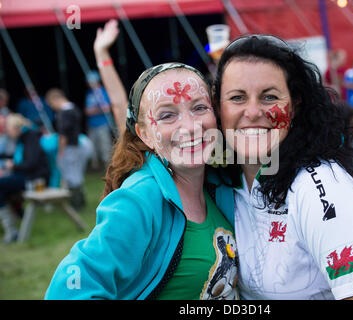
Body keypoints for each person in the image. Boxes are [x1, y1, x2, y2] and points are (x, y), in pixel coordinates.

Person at [212, 34, 353, 300]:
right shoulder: (223, 179)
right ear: (218, 107)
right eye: (237, 98)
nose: (253, 112)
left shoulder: (319, 186)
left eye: (269, 97)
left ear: (296, 106)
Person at [45, 62, 239, 300]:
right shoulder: (137, 200)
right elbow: (67, 291)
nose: (190, 126)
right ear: (144, 134)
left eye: (199, 108)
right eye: (167, 115)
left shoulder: (222, 185)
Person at [0, 114, 49, 243]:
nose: (6, 131)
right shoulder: (23, 138)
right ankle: (14, 222)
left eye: (7, 128)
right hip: (26, 176)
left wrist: (13, 165)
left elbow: (31, 163)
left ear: (16, 128)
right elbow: (16, 156)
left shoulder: (31, 137)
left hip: (34, 179)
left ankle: (11, 229)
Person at [45, 89, 90, 210]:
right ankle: (79, 201)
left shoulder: (63, 113)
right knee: (76, 173)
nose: (52, 107)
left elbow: (63, 135)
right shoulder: (74, 108)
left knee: (71, 175)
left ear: (55, 99)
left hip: (70, 147)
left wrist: (60, 152)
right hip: (77, 145)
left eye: (51, 104)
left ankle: (76, 203)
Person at [84, 70, 114, 171]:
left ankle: (108, 166)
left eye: (91, 81)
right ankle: (95, 166)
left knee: (105, 146)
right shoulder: (89, 93)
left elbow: (108, 107)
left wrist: (95, 110)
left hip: (103, 123)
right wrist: (95, 110)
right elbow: (87, 111)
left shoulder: (103, 92)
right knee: (93, 146)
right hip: (92, 124)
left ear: (96, 81)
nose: (89, 83)